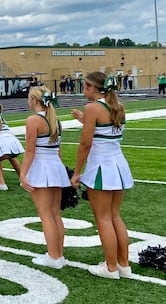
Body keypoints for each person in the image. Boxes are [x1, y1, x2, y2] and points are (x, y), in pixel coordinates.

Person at [70, 72, 133, 279]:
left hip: (101, 168)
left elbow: (85, 144)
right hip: (119, 165)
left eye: (86, 86)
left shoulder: (92, 108)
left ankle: (110, 268)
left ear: (92, 88)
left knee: (103, 219)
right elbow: (105, 131)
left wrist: (77, 172)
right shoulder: (118, 107)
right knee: (115, 216)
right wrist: (84, 120)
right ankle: (123, 265)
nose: (83, 90)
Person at [20, 86, 70, 270]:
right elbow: (58, 151)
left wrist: (23, 174)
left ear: (34, 100)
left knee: (46, 215)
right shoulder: (55, 120)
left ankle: (53, 256)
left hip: (42, 167)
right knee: (55, 214)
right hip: (55, 167)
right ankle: (58, 254)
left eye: (28, 98)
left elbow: (30, 150)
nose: (27, 101)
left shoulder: (33, 120)